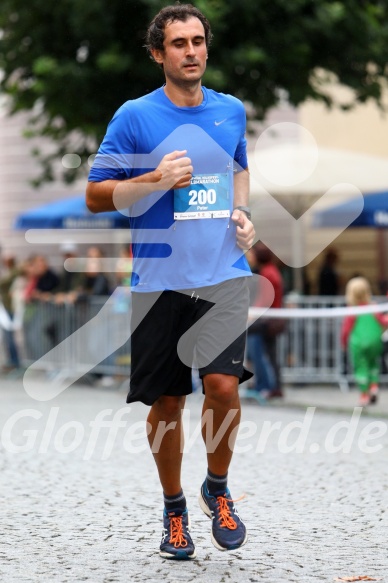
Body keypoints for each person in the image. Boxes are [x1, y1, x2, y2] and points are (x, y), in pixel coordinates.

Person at [86, 3, 255, 560]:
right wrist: (155, 179)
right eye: (178, 43)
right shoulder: (134, 116)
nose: (191, 52)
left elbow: (239, 166)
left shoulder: (231, 111)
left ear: (208, 47)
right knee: (166, 404)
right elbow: (95, 195)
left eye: (198, 41)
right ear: (159, 53)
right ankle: (174, 507)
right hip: (159, 282)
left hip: (224, 275)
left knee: (223, 387)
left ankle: (219, 487)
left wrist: (244, 211)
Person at [341, 276, 388, 406]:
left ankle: (364, 395)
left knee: (361, 368)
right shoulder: (373, 307)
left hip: (358, 344)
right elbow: (383, 321)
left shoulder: (352, 310)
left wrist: (344, 343)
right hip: (375, 342)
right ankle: (374, 387)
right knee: (373, 365)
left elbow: (346, 330)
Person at [250, 242, 285, 399]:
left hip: (266, 320)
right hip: (272, 318)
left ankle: (267, 386)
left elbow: (264, 300)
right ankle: (275, 386)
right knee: (270, 354)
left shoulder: (267, 273)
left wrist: (251, 314)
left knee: (261, 354)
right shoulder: (272, 271)